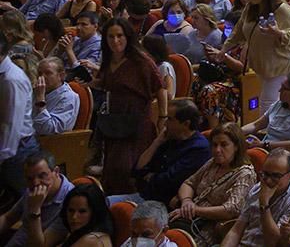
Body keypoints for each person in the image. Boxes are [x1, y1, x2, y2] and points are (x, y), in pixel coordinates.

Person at [92, 18, 168, 194]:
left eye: (120, 36)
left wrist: (162, 118)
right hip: (115, 120)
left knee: (127, 168)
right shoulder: (108, 59)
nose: (115, 41)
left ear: (127, 37)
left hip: (137, 120)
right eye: (111, 36)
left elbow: (160, 90)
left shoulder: (141, 61)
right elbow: (107, 82)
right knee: (112, 169)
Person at [168, 123, 257, 247]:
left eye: (224, 145)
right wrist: (186, 202)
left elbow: (231, 210)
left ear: (236, 146)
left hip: (211, 226)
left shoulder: (245, 174)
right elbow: (189, 183)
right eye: (214, 145)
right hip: (188, 215)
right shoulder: (213, 163)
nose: (217, 150)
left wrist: (195, 210)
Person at [223, 0, 290, 113]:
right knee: (274, 103)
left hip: (282, 62)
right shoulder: (250, 7)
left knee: (267, 104)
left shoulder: (282, 9)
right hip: (263, 63)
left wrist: (278, 33)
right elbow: (238, 31)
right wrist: (222, 50)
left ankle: (265, 133)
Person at [109, 99, 212, 205]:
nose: (165, 123)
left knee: (106, 205)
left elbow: (168, 182)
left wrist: (149, 177)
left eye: (170, 119)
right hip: (145, 195)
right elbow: (137, 170)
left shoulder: (199, 149)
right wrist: (156, 142)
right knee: (102, 203)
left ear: (186, 123)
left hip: (161, 203)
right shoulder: (170, 138)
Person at [219, 149, 290, 247]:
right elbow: (236, 230)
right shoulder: (258, 187)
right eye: (265, 174)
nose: (268, 180)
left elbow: (274, 243)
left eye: (276, 176)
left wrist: (264, 204)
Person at [0, 152, 74, 247]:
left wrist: (35, 210)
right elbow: (8, 218)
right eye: (30, 178)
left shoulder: (70, 200)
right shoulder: (33, 189)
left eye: (42, 176)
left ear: (56, 171)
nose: (36, 183)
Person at [241, 72, 290, 153]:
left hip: (283, 155)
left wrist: (263, 145)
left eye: (284, 88)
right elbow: (256, 125)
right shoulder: (279, 104)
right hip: (264, 146)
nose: (279, 90)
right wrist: (237, 131)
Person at [31, 56, 79, 136]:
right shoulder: (38, 90)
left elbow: (48, 129)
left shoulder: (68, 97)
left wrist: (40, 100)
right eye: (39, 73)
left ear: (61, 76)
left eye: (48, 73)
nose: (42, 77)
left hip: (48, 143)